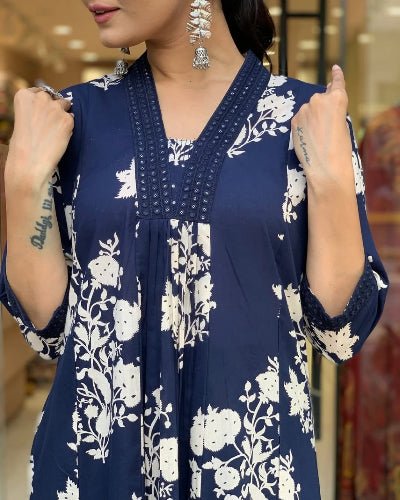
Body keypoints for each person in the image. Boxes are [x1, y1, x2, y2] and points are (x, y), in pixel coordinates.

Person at [0, 0, 389, 498]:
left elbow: (338, 335)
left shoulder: (305, 118)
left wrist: (331, 180)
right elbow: (47, 331)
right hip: (97, 466)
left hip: (249, 470)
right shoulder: (71, 120)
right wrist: (24, 179)